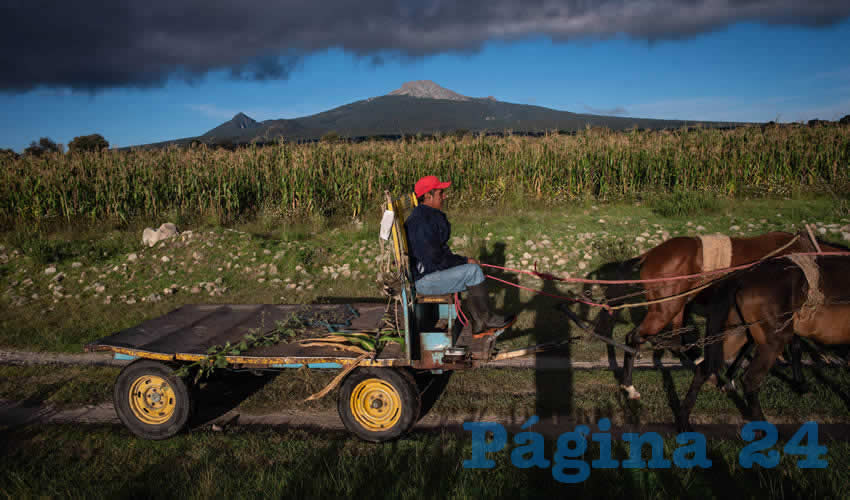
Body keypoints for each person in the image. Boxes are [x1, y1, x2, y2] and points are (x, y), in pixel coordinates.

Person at [404, 175, 514, 334]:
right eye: (441, 193)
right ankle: (485, 321)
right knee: (473, 272)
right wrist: (464, 261)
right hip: (424, 280)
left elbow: (437, 256)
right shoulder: (421, 223)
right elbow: (435, 259)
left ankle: (480, 322)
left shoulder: (425, 215)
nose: (445, 196)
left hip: (429, 272)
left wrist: (462, 262)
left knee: (472, 271)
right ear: (428, 196)